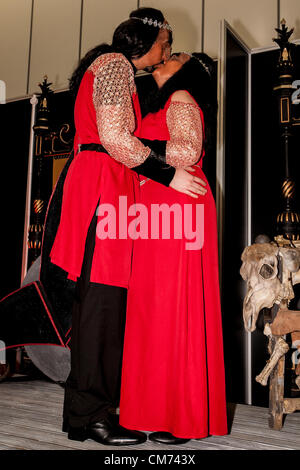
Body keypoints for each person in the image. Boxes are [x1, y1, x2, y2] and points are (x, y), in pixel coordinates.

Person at [50, 8, 204, 446]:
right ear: (145, 41)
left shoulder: (115, 70)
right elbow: (116, 137)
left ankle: (87, 414)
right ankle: (93, 416)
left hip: (106, 189)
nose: (168, 51)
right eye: (166, 42)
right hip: (101, 189)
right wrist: (170, 175)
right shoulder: (115, 64)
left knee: (102, 304)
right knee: (100, 304)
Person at [119, 52, 228, 443]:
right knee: (155, 308)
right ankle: (158, 408)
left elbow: (186, 151)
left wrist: (128, 145)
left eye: (174, 56)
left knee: (175, 306)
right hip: (160, 206)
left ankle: (182, 415)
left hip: (177, 207)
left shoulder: (181, 95)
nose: (164, 58)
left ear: (189, 70)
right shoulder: (161, 101)